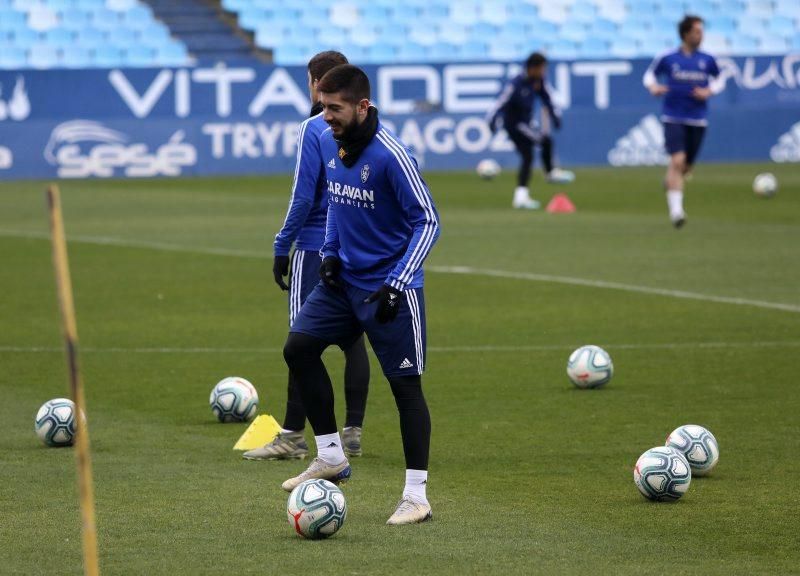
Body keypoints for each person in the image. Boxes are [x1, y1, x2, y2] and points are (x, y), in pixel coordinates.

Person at [281, 64, 440, 526]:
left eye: (334, 108)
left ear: (362, 106)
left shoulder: (392, 155)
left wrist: (399, 280)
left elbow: (427, 221)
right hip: (343, 282)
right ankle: (330, 454)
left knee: (405, 388)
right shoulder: (334, 143)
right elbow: (335, 202)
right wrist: (329, 252)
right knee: (299, 347)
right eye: (322, 106)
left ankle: (416, 497)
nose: (325, 115)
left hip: (389, 288)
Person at [243, 52, 371, 462]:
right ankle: (352, 431)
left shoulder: (313, 129)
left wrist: (283, 245)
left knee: (300, 343)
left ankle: (293, 436)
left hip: (316, 247)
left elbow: (302, 197)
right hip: (356, 248)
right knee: (353, 341)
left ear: (317, 82)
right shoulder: (364, 129)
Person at [643, 15, 720, 228]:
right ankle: (677, 213)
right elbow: (649, 75)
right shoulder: (668, 57)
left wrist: (709, 91)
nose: (700, 35)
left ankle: (670, 183)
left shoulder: (708, 58)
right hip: (673, 116)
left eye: (701, 31)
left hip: (698, 119)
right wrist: (654, 87)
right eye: (697, 31)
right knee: (677, 161)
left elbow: (720, 79)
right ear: (686, 34)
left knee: (685, 167)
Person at [487, 52, 575, 210]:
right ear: (533, 68)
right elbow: (500, 103)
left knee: (528, 156)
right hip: (514, 125)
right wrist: (492, 119)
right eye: (542, 68)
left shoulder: (538, 81)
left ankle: (521, 196)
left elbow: (547, 98)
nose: (544, 71)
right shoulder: (516, 84)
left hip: (526, 124)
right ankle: (550, 173)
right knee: (545, 141)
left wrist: (555, 115)